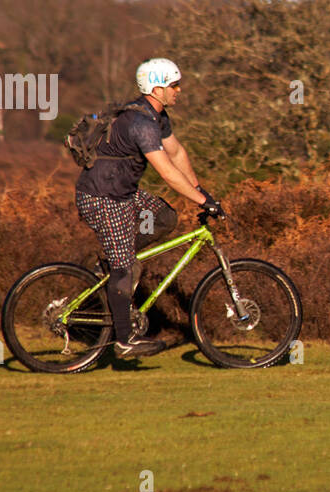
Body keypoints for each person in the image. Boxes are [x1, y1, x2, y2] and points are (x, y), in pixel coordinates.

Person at [75, 58, 223, 359]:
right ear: (157, 88)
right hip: (104, 197)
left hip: (122, 192)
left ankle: (118, 260)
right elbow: (167, 172)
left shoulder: (157, 116)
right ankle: (124, 340)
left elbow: (176, 153)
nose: (179, 90)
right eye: (174, 85)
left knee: (165, 216)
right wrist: (202, 202)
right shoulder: (140, 124)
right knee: (123, 265)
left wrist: (199, 190)